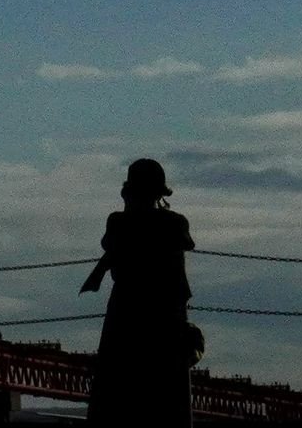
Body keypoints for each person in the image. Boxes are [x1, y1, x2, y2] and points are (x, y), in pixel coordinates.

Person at [82, 158, 197, 428]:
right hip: (164, 317)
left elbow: (111, 242)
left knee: (116, 392)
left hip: (125, 315)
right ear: (160, 192)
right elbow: (185, 248)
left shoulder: (119, 223)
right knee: (167, 398)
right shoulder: (174, 223)